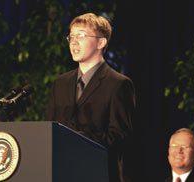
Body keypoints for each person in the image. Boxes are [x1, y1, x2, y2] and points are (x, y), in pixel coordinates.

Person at [46, 12, 135, 182]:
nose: (74, 42)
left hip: (98, 173)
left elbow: (119, 137)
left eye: (81, 36)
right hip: (61, 174)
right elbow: (50, 128)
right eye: (71, 36)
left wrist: (78, 139)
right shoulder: (60, 83)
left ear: (101, 42)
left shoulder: (119, 84)